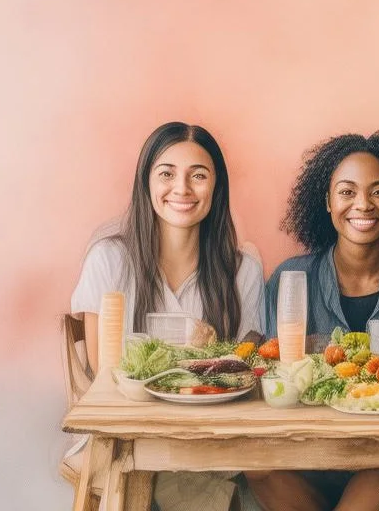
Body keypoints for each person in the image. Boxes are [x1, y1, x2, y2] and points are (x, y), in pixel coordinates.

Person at [248, 130, 379, 511]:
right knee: (256, 467)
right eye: (347, 192)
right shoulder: (290, 280)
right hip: (306, 455)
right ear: (328, 202)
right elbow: (275, 382)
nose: (363, 204)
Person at [70, 121, 265, 511]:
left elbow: (249, 368)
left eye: (199, 175)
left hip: (213, 439)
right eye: (167, 173)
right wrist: (190, 363)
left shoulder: (243, 269)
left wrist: (218, 356)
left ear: (217, 188)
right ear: (146, 183)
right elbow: (103, 376)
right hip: (128, 438)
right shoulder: (110, 260)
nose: (182, 189)